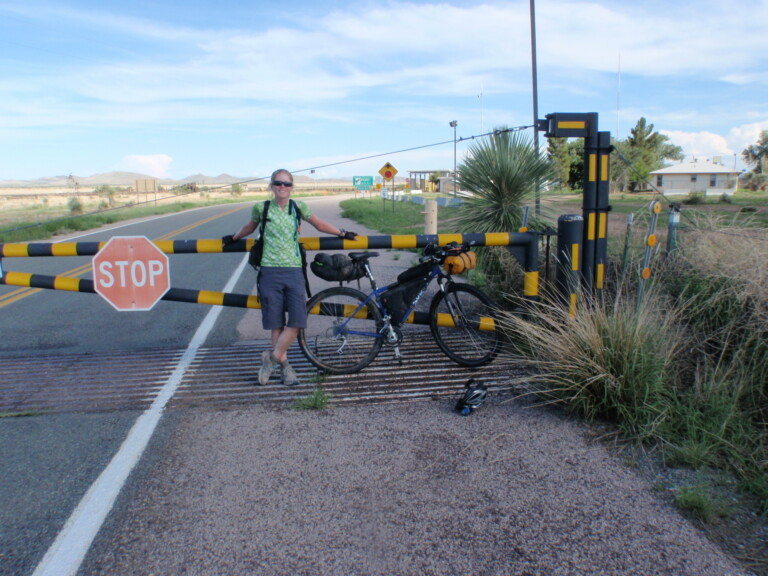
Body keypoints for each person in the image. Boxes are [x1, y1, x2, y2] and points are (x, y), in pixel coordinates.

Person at [222, 169, 357, 386]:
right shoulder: (261, 208)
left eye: (286, 184)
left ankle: (271, 358)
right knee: (276, 323)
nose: (282, 187)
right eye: (278, 183)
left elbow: (320, 224)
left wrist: (342, 233)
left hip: (294, 271)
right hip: (269, 271)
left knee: (296, 321)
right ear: (272, 186)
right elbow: (249, 227)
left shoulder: (298, 207)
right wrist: (234, 237)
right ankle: (286, 370)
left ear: (292, 186)